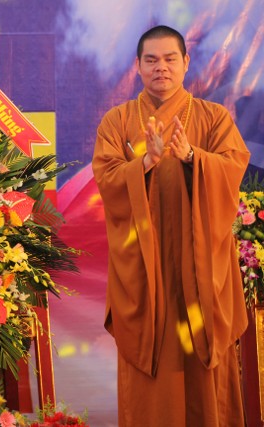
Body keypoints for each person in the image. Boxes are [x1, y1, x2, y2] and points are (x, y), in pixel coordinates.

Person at [92, 25, 250, 426]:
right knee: (152, 367)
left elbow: (233, 168)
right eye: (151, 60)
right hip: (145, 269)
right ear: (138, 66)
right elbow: (107, 179)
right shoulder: (117, 121)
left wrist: (193, 156)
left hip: (200, 265)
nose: (160, 67)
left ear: (186, 62)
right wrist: (144, 163)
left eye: (169, 59)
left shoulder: (214, 118)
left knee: (201, 365)